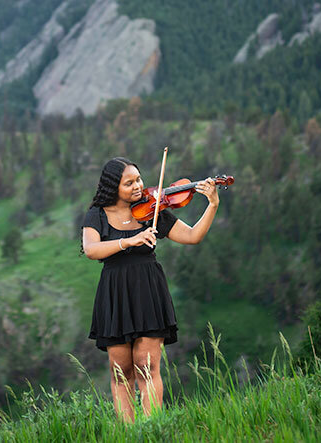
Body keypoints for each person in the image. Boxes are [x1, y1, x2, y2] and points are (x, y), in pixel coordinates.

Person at [81, 156, 219, 422]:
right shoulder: (96, 215)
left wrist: (212, 204)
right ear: (113, 187)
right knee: (121, 372)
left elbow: (192, 236)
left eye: (139, 179)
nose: (137, 186)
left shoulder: (153, 210)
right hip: (115, 293)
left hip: (147, 290)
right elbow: (91, 249)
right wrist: (129, 242)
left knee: (147, 367)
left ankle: (152, 429)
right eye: (128, 183)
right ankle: (129, 433)